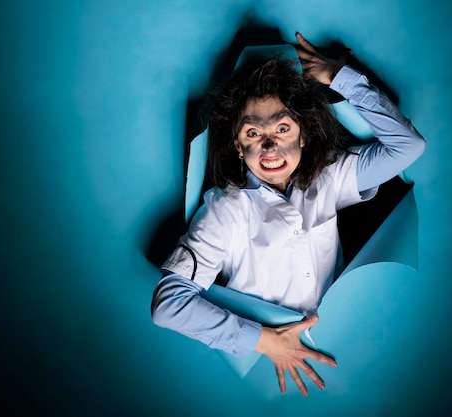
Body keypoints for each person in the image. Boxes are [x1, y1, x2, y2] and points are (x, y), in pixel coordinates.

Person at [151, 33, 425, 396]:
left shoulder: (330, 177)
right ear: (238, 145)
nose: (269, 145)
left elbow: (408, 146)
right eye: (253, 132)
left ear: (303, 137)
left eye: (283, 128)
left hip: (352, 348)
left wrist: (342, 76)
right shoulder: (225, 208)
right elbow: (168, 304)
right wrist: (264, 341)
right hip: (260, 374)